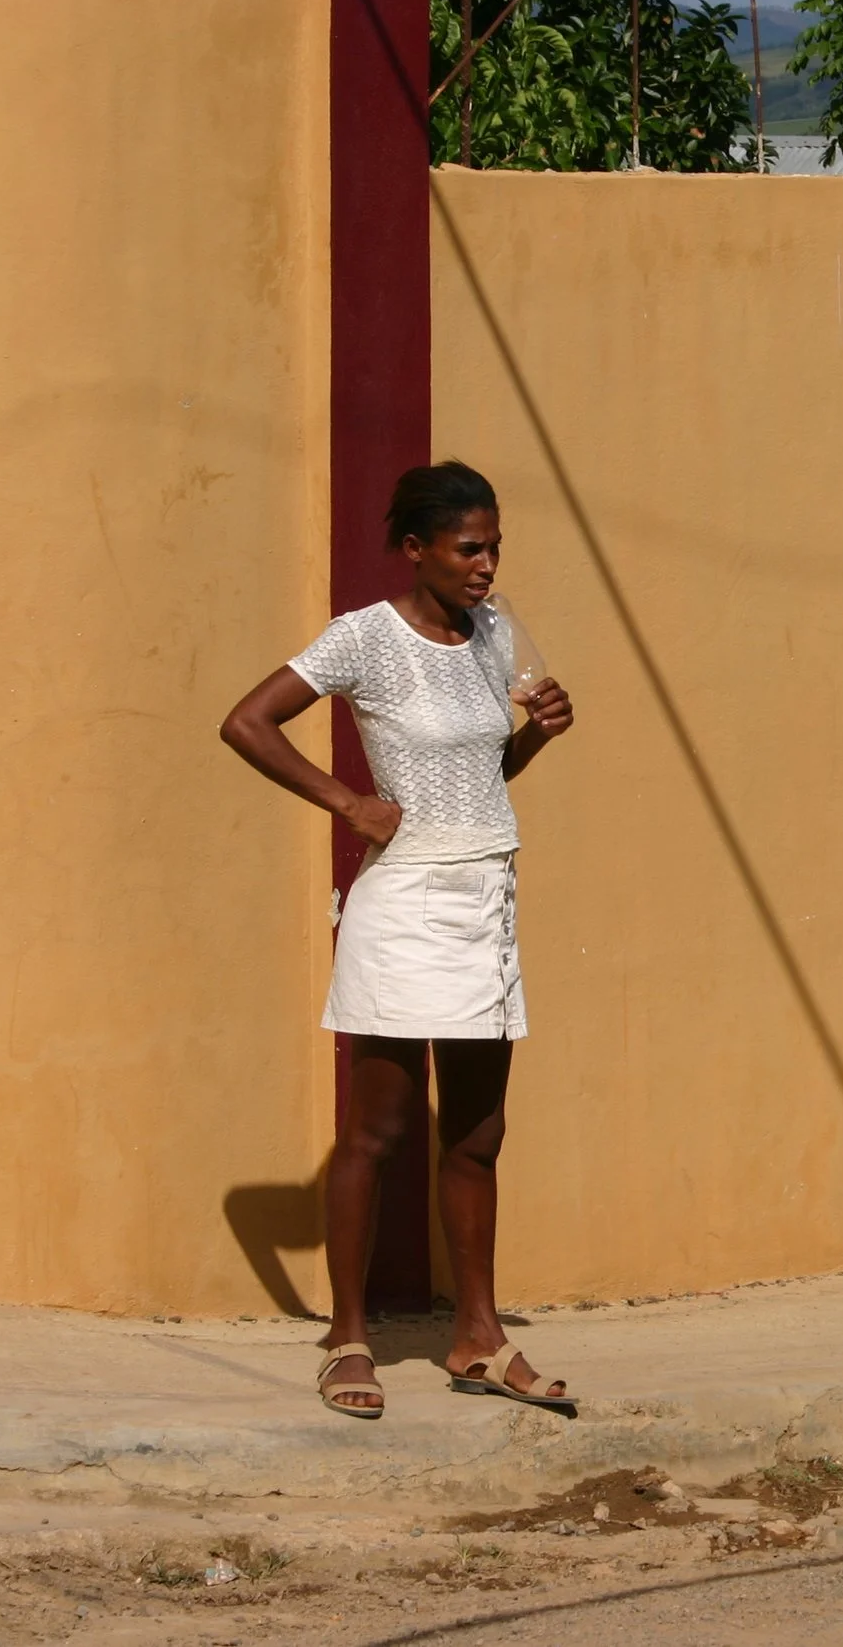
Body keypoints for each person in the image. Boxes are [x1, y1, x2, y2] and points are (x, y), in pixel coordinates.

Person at [220, 461, 577, 1420]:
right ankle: (346, 1335)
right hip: (404, 902)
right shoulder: (365, 640)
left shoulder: (494, 634)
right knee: (376, 1132)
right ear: (416, 549)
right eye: (470, 547)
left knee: (476, 1134)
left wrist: (536, 733)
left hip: (485, 895)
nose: (488, 565)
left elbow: (480, 773)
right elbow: (246, 722)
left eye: (495, 545)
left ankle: (478, 1334)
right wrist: (345, 801)